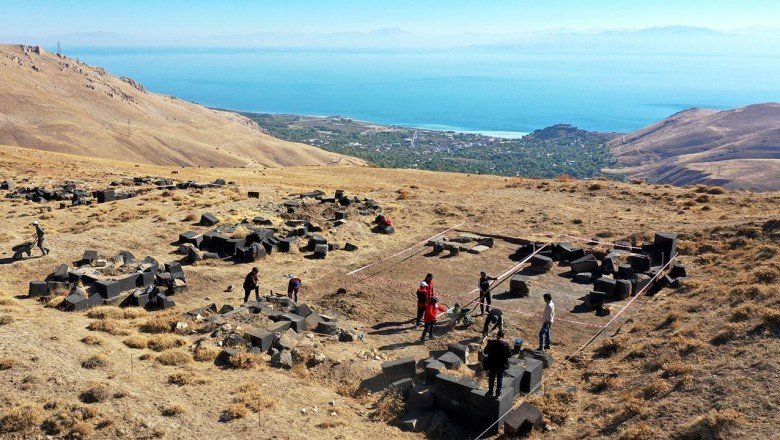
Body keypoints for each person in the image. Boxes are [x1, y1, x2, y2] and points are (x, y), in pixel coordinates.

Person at [483, 330, 512, 398]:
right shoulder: (505, 344)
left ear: (497, 335)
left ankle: (490, 393)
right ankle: (498, 394)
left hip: (492, 364)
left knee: (491, 378)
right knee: (499, 378)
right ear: (503, 336)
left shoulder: (491, 342)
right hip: (501, 365)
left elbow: (485, 352)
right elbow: (509, 355)